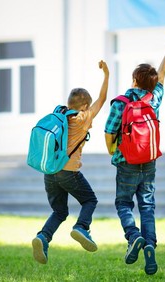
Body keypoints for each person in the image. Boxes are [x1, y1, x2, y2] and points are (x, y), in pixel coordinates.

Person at [104, 33, 165, 275]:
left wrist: (113, 152)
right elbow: (163, 74)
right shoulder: (154, 99)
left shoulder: (121, 102)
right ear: (151, 83)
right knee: (147, 206)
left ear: (133, 80)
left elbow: (109, 132)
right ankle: (149, 246)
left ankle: (133, 235)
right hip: (148, 162)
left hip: (125, 161)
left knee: (123, 203)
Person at [32, 60, 109, 264]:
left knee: (59, 211)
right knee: (90, 200)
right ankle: (81, 227)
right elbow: (102, 99)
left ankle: (42, 237)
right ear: (84, 106)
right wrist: (107, 75)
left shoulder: (60, 115)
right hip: (69, 172)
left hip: (50, 172)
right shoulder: (83, 118)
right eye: (88, 105)